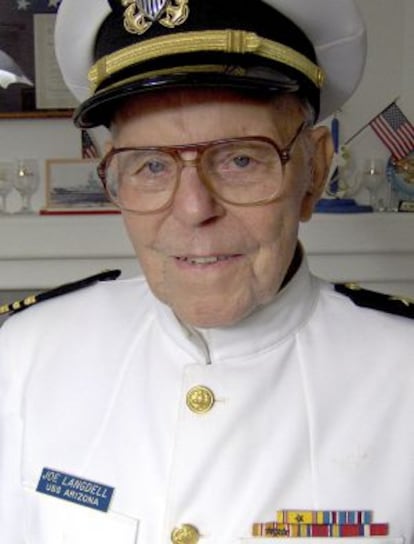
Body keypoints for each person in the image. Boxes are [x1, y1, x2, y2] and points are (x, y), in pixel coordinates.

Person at [0, 1, 413, 542]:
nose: (194, 209)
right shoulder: (23, 357)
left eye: (240, 158)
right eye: (150, 165)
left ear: (313, 171)